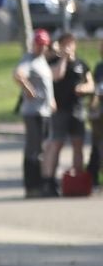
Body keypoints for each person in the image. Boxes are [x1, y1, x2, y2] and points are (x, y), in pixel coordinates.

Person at [46, 29, 93, 188]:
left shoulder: (81, 64)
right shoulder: (53, 62)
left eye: (70, 43)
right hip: (60, 109)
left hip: (77, 109)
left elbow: (90, 84)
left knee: (78, 144)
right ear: (59, 46)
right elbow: (57, 75)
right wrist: (64, 59)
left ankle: (78, 178)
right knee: (56, 143)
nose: (68, 47)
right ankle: (50, 180)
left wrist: (84, 88)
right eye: (64, 44)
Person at [14, 28, 57, 197]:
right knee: (34, 149)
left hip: (44, 111)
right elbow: (18, 74)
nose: (41, 47)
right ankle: (32, 186)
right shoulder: (29, 59)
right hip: (33, 112)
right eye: (39, 44)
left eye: (44, 45)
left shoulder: (42, 61)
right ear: (33, 44)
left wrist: (51, 100)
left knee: (43, 148)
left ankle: (41, 183)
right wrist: (28, 89)